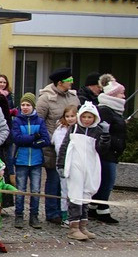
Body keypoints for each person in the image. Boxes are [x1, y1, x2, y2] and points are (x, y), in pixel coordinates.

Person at [57, 102, 108, 241]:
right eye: (84, 116)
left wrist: (105, 140)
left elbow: (101, 150)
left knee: (86, 195)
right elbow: (64, 146)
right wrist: (60, 165)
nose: (86, 119)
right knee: (75, 195)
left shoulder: (97, 131)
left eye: (89, 117)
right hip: (75, 166)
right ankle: (73, 227)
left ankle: (83, 225)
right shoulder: (73, 129)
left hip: (90, 166)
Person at [36, 68, 79, 225]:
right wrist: (49, 139)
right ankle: (52, 212)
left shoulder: (73, 97)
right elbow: (39, 121)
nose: (72, 83)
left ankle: (67, 211)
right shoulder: (45, 99)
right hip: (53, 148)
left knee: (68, 182)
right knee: (53, 180)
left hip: (73, 147)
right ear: (60, 83)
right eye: (69, 81)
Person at [90, 80, 127, 225]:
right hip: (106, 152)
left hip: (112, 152)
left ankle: (93, 207)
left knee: (105, 181)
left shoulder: (114, 110)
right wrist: (112, 143)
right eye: (121, 93)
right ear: (113, 95)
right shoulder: (105, 110)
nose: (124, 96)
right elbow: (102, 131)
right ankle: (102, 209)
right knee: (107, 181)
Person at [11, 92, 50, 229]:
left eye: (28, 105)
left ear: (33, 106)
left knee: (35, 190)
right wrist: (34, 137)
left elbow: (46, 140)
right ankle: (19, 215)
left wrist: (32, 142)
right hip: (21, 160)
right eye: (23, 105)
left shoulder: (39, 121)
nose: (25, 107)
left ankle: (34, 216)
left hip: (36, 161)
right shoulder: (17, 121)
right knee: (20, 189)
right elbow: (17, 139)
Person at [52, 105, 78, 225]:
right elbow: (59, 147)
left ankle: (77, 215)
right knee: (65, 191)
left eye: (72, 116)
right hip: (64, 163)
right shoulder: (60, 130)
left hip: (77, 164)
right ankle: (65, 215)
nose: (70, 119)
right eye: (67, 116)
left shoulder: (80, 128)